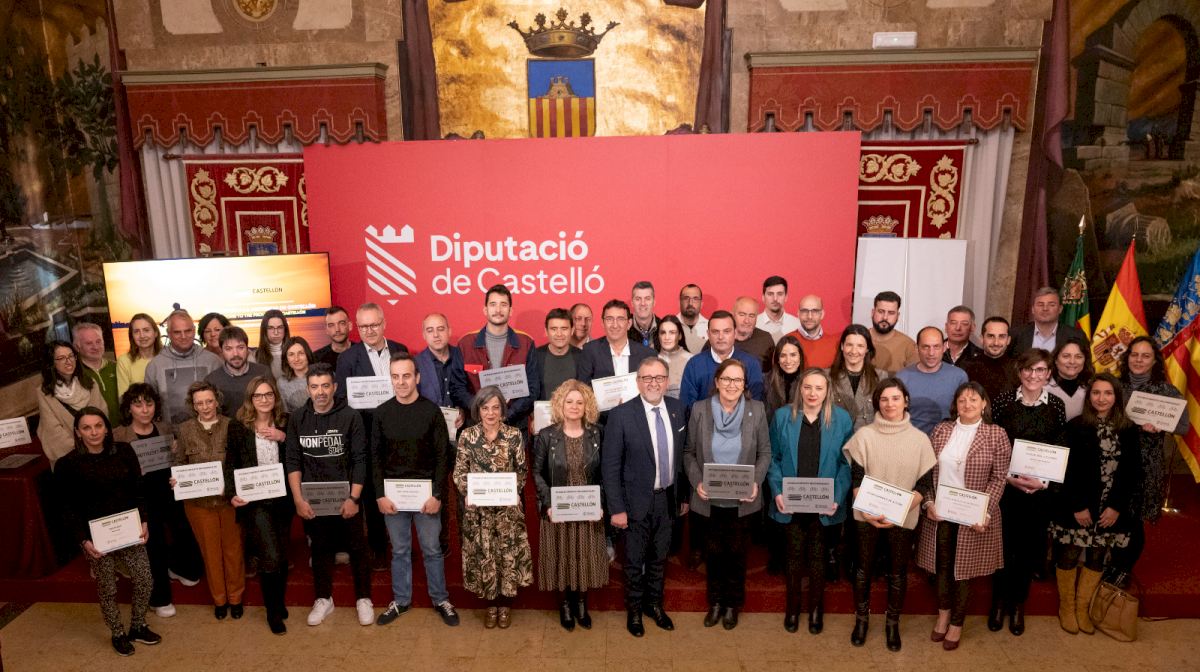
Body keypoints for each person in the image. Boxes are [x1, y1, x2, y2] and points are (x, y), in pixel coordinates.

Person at [56, 408, 162, 656]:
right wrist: (83, 540)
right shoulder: (67, 464)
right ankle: (117, 633)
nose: (94, 432)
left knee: (145, 579)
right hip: (96, 538)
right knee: (108, 588)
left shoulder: (124, 451)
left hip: (129, 529)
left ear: (106, 428)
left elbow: (138, 488)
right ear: (78, 432)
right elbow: (67, 508)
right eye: (87, 428)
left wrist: (144, 520)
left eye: (98, 426)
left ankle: (137, 626)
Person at [916, 382, 1011, 650]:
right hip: (941, 513)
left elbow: (999, 478)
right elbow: (926, 470)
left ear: (984, 404)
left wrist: (985, 512)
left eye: (973, 399)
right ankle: (943, 614)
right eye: (962, 400)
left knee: (963, 571)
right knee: (942, 567)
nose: (967, 404)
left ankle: (957, 623)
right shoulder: (942, 430)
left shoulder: (996, 434)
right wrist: (928, 502)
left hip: (973, 515)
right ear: (955, 405)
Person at [844, 378, 935, 651]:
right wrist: (869, 512)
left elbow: (924, 486)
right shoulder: (864, 436)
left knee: (897, 572)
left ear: (906, 401)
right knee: (863, 570)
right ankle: (861, 620)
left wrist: (898, 511)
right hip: (866, 517)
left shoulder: (920, 440)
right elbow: (856, 480)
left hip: (903, 518)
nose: (889, 404)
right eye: (883, 399)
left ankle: (892, 623)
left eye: (895, 398)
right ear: (877, 403)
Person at [371, 353, 460, 627]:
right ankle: (401, 600)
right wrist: (379, 495)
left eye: (406, 376)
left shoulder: (431, 412)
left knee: (432, 549)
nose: (401, 382)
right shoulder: (381, 413)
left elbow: (442, 457)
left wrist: (437, 495)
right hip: (393, 497)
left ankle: (440, 599)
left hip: (426, 496)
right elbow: (375, 458)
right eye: (395, 376)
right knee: (399, 550)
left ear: (417, 377)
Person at [602, 357, 688, 637]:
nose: (653, 383)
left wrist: (683, 496)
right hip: (634, 502)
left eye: (659, 378)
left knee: (659, 559)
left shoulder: (678, 409)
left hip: (667, 500)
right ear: (638, 382)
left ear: (667, 382)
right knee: (633, 561)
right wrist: (616, 508)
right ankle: (635, 611)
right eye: (647, 378)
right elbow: (610, 466)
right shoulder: (621, 415)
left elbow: (683, 457)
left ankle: (654, 605)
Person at [285, 363, 374, 627]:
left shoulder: (351, 416)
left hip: (347, 499)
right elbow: (293, 461)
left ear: (334, 387)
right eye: (314, 387)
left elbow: (360, 460)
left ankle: (364, 598)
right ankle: (323, 599)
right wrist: (298, 500)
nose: (320, 392)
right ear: (307, 389)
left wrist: (354, 499)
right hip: (314, 500)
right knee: (320, 549)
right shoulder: (297, 418)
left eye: (325, 385)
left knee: (357, 548)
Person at [685, 358, 771, 630]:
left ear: (744, 384)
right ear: (717, 382)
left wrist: (755, 482)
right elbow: (689, 453)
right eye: (726, 379)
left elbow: (765, 453)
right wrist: (697, 481)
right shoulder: (700, 409)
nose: (731, 385)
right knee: (713, 554)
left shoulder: (757, 410)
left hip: (743, 500)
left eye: (737, 380)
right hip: (709, 499)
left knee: (736, 555)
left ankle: (732, 604)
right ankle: (715, 603)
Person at [1051, 374, 1140, 635]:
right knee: (1069, 554)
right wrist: (1078, 505)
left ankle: (1082, 608)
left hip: (1109, 508)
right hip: (1078, 506)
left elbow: (1132, 472)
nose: (1101, 398)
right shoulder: (1075, 426)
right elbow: (1065, 470)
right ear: (1089, 397)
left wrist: (1116, 507)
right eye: (1096, 393)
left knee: (1097, 556)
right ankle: (1067, 607)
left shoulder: (1128, 429)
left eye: (1108, 393)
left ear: (1117, 397)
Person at [768, 368, 853, 634]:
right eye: (807, 387)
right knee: (793, 558)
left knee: (818, 559)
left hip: (824, 504)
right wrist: (777, 491)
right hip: (791, 503)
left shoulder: (841, 419)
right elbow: (773, 458)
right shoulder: (783, 416)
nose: (812, 393)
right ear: (799, 389)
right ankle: (792, 608)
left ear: (827, 390)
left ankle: (816, 609)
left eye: (818, 388)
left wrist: (837, 496)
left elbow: (846, 463)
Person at [990, 348, 1067, 635]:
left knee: (1027, 549)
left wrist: (1043, 482)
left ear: (1048, 374)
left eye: (1040, 370)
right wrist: (1008, 478)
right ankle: (998, 602)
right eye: (1028, 369)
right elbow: (995, 444)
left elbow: (1060, 447)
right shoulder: (1003, 401)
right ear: (1019, 371)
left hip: (1038, 492)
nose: (1033, 375)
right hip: (1007, 488)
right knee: (1003, 546)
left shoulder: (1056, 405)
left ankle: (1018, 604)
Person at [113, 384, 202, 619]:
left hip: (168, 491)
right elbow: (114, 473)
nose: (145, 410)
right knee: (154, 545)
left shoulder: (165, 428)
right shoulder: (119, 435)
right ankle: (159, 597)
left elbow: (180, 459)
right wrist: (131, 470)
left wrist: (177, 453)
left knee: (183, 531)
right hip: (142, 498)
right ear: (129, 408)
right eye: (138, 405)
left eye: (149, 404)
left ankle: (179, 568)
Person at [334, 302, 409, 569]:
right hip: (365, 435)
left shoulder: (400, 350)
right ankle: (378, 548)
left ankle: (402, 543)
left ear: (384, 323)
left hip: (399, 434)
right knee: (371, 492)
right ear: (357, 327)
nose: (369, 330)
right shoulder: (347, 358)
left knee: (399, 487)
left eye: (374, 324)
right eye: (364, 326)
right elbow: (341, 400)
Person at [453, 386, 533, 629]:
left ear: (502, 410)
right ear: (478, 410)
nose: (490, 413)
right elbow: (459, 472)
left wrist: (513, 491)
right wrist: (468, 492)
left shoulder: (514, 435)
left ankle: (505, 605)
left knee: (507, 556)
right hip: (479, 513)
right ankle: (490, 605)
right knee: (485, 556)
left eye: (495, 408)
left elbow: (521, 470)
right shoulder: (467, 436)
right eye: (485, 408)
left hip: (507, 511)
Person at [532, 380, 608, 631]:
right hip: (558, 510)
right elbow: (537, 473)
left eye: (580, 402)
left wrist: (601, 503)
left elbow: (606, 472)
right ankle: (565, 605)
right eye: (569, 401)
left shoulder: (598, 434)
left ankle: (582, 604)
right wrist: (549, 504)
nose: (574, 406)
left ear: (587, 406)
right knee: (561, 556)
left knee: (583, 555)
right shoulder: (546, 435)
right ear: (560, 404)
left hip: (588, 509)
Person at [224, 376, 293, 634]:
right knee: (270, 557)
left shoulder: (286, 421)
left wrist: (283, 437)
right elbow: (231, 462)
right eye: (258, 395)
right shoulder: (238, 426)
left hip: (283, 499)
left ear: (275, 396)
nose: (264, 399)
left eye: (268, 394)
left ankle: (279, 601)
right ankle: (273, 612)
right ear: (250, 399)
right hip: (255, 502)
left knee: (282, 556)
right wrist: (231, 493)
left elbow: (298, 455)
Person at [170, 381, 245, 620]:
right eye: (199, 403)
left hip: (229, 502)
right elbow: (180, 462)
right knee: (210, 553)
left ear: (217, 401)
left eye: (209, 401)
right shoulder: (184, 430)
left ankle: (236, 598)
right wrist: (176, 478)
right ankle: (219, 600)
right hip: (198, 504)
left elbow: (241, 461)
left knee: (233, 551)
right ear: (193, 405)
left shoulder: (232, 425)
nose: (205, 407)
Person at [1114, 336, 1188, 575]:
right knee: (1111, 514)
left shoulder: (1167, 391)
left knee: (1134, 520)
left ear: (1155, 360)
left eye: (1145, 356)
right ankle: (1106, 564)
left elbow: (1183, 426)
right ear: (1127, 357)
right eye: (1134, 355)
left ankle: (1123, 570)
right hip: (1113, 462)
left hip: (1146, 465)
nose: (1139, 360)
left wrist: (1161, 424)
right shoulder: (1114, 386)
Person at [457, 285, 535, 429]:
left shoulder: (526, 343)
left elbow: (533, 389)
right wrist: (480, 410)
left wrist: (508, 414)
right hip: (476, 426)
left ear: (510, 310)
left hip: (514, 425)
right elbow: (458, 387)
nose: (498, 310)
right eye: (493, 304)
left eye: (503, 304)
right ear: (485, 310)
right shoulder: (465, 344)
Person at [679, 310, 766, 415]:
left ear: (735, 333)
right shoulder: (694, 364)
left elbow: (755, 406)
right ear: (708, 334)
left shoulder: (751, 364)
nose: (721, 337)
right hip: (703, 424)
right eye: (715, 332)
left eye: (726, 331)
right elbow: (687, 406)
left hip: (743, 424)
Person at [144, 310, 222, 424]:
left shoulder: (213, 361)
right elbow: (149, 407)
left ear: (194, 330)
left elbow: (221, 402)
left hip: (210, 430)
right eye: (177, 332)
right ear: (168, 333)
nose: (183, 336)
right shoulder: (155, 365)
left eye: (188, 331)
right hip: (170, 432)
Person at [38, 340, 106, 467]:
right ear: (51, 363)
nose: (68, 361)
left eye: (71, 356)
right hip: (70, 459)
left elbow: (102, 416)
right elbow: (53, 431)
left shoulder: (90, 383)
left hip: (98, 451)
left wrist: (94, 447)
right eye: (61, 358)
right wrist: (82, 451)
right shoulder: (44, 393)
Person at [896, 327, 968, 435]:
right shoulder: (902, 377)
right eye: (926, 347)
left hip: (949, 440)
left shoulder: (959, 376)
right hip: (911, 440)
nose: (931, 353)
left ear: (944, 347)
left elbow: (966, 415)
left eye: (936, 347)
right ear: (917, 348)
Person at [576, 299, 657, 385]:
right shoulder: (590, 350)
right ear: (603, 323)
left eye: (620, 319)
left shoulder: (647, 355)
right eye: (609, 319)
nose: (615, 325)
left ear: (629, 324)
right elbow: (583, 388)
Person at [829, 324, 889, 431]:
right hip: (836, 437)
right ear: (842, 346)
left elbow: (885, 414)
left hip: (868, 438)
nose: (853, 351)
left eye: (860, 346)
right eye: (849, 345)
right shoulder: (827, 376)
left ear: (867, 349)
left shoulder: (880, 377)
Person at [206, 325, 272, 417]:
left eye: (240, 347)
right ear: (221, 351)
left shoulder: (263, 372)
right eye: (228, 349)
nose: (235, 354)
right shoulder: (212, 380)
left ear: (247, 349)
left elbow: (275, 406)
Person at [527, 308, 582, 405]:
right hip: (541, 413)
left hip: (573, 413)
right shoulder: (534, 356)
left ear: (572, 330)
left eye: (564, 329)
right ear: (546, 331)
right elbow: (529, 393)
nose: (559, 334)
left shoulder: (583, 357)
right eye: (554, 329)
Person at [1009, 287, 1086, 356]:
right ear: (1033, 309)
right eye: (1040, 305)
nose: (1045, 308)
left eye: (1051, 305)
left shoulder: (1076, 336)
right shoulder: (1016, 334)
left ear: (1060, 309)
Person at [961, 316, 1019, 403]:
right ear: (982, 338)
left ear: (1008, 340)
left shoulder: (1018, 368)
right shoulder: (966, 367)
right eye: (991, 336)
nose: (996, 342)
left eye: (1001, 337)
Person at [74, 322, 121, 421]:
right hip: (95, 429)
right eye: (89, 343)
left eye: (98, 341)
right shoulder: (75, 374)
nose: (95, 347)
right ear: (77, 347)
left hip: (124, 426)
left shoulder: (118, 367)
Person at [868, 291, 917, 374]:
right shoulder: (857, 340)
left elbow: (914, 378)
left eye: (891, 313)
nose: (885, 317)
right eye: (881, 311)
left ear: (898, 316)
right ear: (873, 312)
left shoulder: (909, 346)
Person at [1046, 337, 1092, 421]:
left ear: (1085, 360)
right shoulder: (1042, 387)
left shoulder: (1092, 388)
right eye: (1066, 356)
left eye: (1078, 357)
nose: (1072, 361)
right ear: (1055, 359)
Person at [116, 313, 162, 397]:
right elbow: (123, 398)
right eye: (136, 331)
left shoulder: (167, 358)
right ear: (132, 336)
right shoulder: (124, 361)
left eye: (146, 330)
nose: (142, 336)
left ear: (155, 333)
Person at [788, 294, 839, 368]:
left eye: (815, 311)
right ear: (798, 314)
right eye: (804, 311)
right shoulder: (786, 341)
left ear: (822, 314)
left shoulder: (835, 344)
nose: (809, 316)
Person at [731, 296, 775, 374]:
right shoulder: (720, 337)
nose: (747, 321)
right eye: (742, 315)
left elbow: (772, 373)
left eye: (751, 316)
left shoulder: (765, 339)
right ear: (733, 315)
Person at [765, 335, 805, 417]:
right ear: (777, 359)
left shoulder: (808, 381)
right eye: (783, 355)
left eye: (793, 355)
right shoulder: (765, 381)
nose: (788, 361)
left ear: (800, 357)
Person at [655, 314, 692, 400]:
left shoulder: (692, 360)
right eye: (663, 333)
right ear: (658, 336)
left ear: (680, 336)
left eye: (672, 332)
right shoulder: (651, 360)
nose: (667, 337)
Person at [757, 275, 802, 343]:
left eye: (780, 294)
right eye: (770, 294)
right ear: (763, 297)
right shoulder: (755, 324)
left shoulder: (797, 325)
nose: (775, 299)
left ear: (786, 297)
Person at [277, 336, 315, 412]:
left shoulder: (323, 375)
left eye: (301, 353)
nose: (296, 359)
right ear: (286, 359)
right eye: (291, 354)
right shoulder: (282, 382)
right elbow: (285, 412)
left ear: (307, 354)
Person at [254, 310, 291, 378]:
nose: (276, 332)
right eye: (270, 328)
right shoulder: (255, 357)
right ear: (264, 330)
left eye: (280, 327)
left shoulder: (295, 354)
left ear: (285, 329)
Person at [677, 283, 709, 353]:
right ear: (679, 302)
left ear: (701, 304)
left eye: (695, 299)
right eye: (686, 298)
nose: (690, 303)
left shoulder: (709, 326)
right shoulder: (671, 325)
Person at [628, 280, 660, 348]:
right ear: (632, 303)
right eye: (638, 299)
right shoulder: (623, 327)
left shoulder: (663, 327)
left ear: (654, 302)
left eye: (647, 299)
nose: (643, 303)